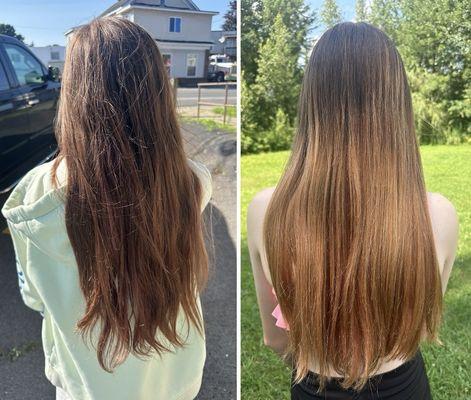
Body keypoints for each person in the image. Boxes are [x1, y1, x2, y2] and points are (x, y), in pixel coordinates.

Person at [2, 17, 212, 400]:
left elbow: (34, 297)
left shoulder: (33, 194)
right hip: (174, 380)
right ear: (157, 93)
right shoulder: (192, 182)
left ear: (74, 94)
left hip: (86, 385)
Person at [247, 22, 459, 399]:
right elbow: (422, 330)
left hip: (312, 387)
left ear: (313, 101)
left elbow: (275, 339)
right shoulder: (438, 215)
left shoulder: (266, 211)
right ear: (396, 104)